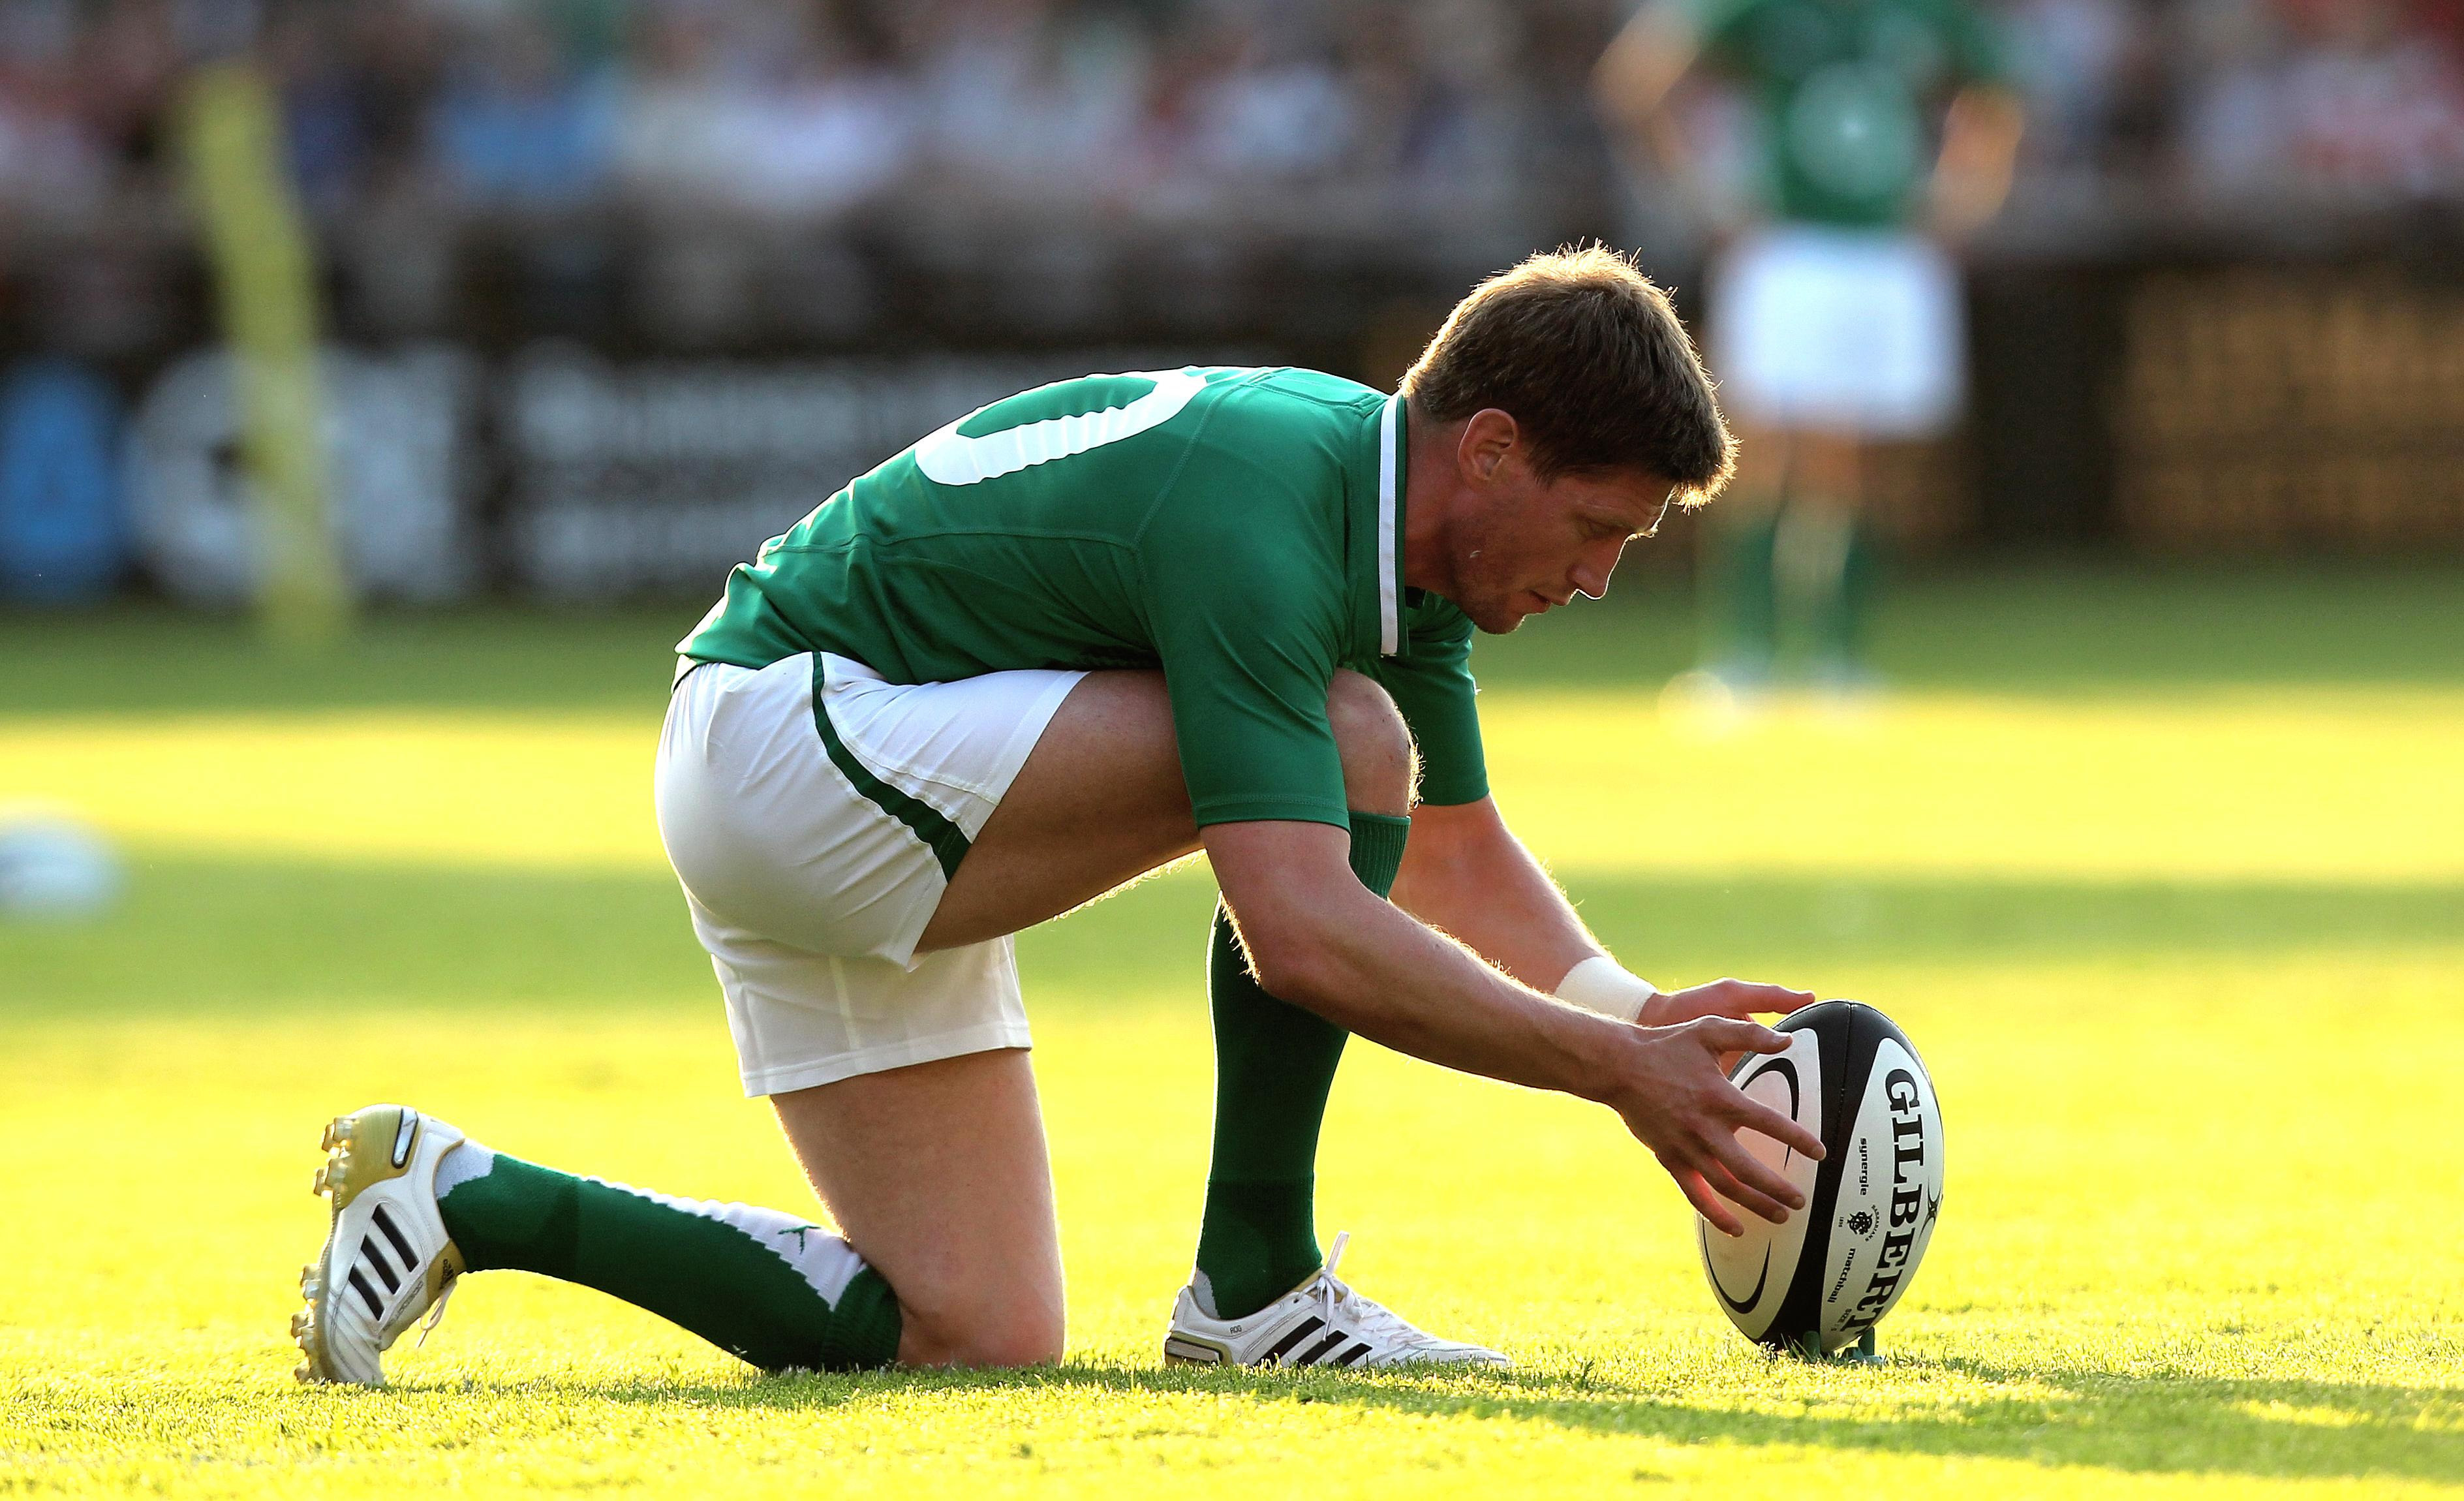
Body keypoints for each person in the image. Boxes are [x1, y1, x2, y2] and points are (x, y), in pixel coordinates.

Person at [290, 247, 1828, 1385]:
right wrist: (1610, 1075)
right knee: (1349, 742)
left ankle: (462, 1193)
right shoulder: (1269, 509)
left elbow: (1447, 844)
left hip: (843, 758)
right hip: (800, 740)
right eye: (1595, 528)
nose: (1599, 576)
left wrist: (1637, 1019)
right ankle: (1260, 1286)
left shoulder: (1394, 537)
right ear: (1489, 449)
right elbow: (1301, 927)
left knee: (977, 1332)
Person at [1597, 0, 2024, 694]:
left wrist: (1967, 192)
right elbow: (1639, 79)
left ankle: (1839, 657)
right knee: (1756, 451)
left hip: (1884, 249)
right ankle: (1745, 654)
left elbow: (1997, 90)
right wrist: (1698, 194)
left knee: (1856, 460)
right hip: (1789, 247)